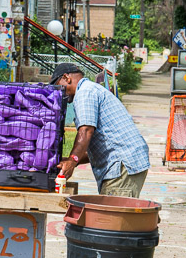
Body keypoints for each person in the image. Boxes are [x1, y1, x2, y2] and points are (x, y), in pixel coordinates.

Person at [52, 63, 150, 198]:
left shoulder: (84, 93)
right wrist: (71, 160)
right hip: (127, 161)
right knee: (114, 215)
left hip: (122, 164)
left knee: (112, 216)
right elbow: (99, 144)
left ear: (66, 78)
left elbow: (86, 130)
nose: (59, 91)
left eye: (59, 85)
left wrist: (72, 161)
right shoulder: (91, 89)